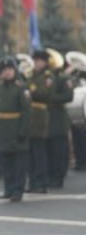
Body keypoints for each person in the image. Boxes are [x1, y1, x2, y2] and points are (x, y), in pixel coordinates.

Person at [0, 56, 31, 202]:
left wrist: (23, 131)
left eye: (9, 70)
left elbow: (26, 111)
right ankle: (8, 189)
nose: (7, 73)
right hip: (3, 130)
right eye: (4, 70)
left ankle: (18, 190)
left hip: (16, 129)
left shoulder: (21, 87)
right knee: (6, 163)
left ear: (14, 70)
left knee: (18, 164)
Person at [46, 51, 73, 188]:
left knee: (59, 150)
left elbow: (68, 96)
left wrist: (51, 97)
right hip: (46, 117)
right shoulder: (45, 77)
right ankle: (50, 176)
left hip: (58, 117)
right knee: (48, 150)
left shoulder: (63, 79)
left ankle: (58, 177)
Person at [26, 50, 52, 192]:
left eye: (39, 61)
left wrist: (31, 89)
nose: (36, 63)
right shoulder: (31, 75)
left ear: (45, 62)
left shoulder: (47, 77)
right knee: (30, 153)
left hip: (40, 116)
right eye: (35, 60)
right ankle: (33, 182)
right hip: (30, 116)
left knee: (39, 153)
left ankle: (42, 183)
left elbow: (44, 94)